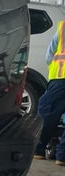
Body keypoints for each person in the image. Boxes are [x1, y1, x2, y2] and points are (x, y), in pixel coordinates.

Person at [35, 19, 65, 165]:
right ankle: (62, 156)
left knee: (48, 113)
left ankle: (39, 150)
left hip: (60, 77)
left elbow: (50, 55)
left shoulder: (63, 26)